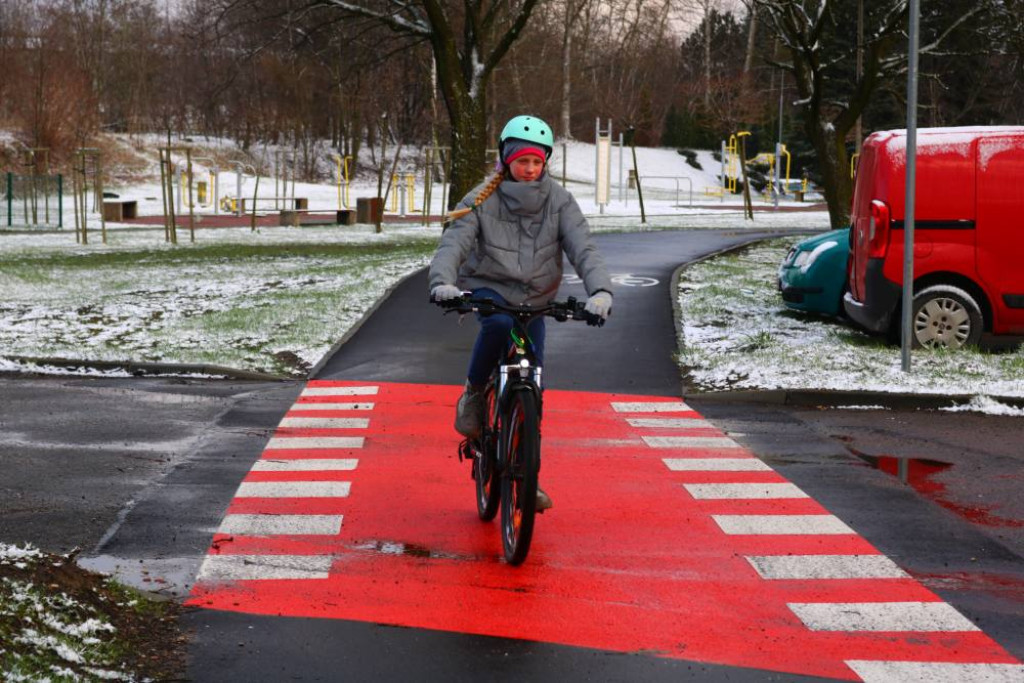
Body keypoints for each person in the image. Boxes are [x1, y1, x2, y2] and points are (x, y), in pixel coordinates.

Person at [428, 114, 613, 510]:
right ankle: (475, 394)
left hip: (536, 301)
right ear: (506, 159)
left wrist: (600, 291)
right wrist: (443, 282)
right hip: (492, 291)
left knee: (536, 389)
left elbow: (584, 247)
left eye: (536, 162)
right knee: (496, 325)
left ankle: (529, 477)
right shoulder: (481, 198)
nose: (530, 169)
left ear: (545, 162)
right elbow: (454, 244)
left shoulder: (560, 201)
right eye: (522, 161)